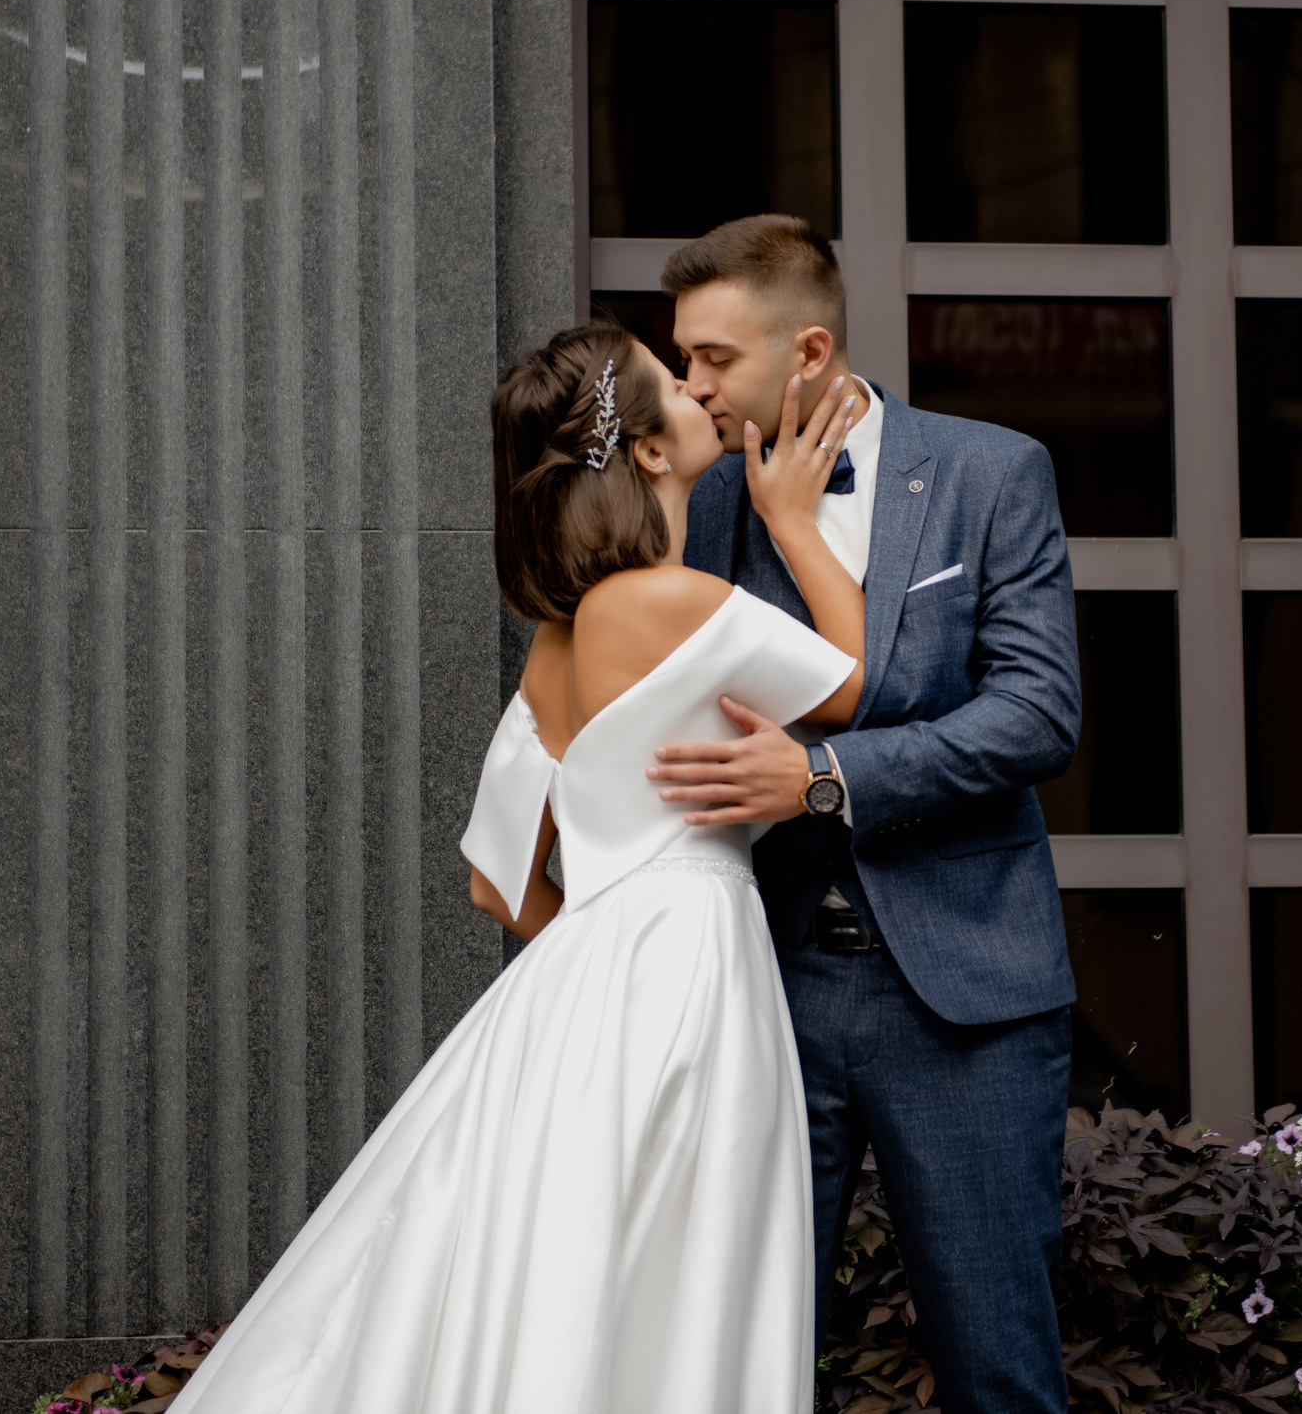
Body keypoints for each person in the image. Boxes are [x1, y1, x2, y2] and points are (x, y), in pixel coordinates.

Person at [167, 321, 865, 1413]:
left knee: (569, 1255)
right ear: (646, 449)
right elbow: (850, 682)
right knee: (682, 1265)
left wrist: (597, 941)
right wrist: (789, 520)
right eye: (670, 381)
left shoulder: (558, 635)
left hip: (589, 975)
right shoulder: (667, 598)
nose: (696, 391)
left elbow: (497, 881)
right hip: (687, 966)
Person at [653, 214, 1083, 1414]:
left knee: (998, 1364)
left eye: (714, 358)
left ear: (807, 350)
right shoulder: (701, 499)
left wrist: (828, 776)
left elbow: (1036, 715)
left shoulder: (992, 472)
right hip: (763, 986)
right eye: (682, 359)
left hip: (967, 995)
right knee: (742, 1368)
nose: (694, 384)